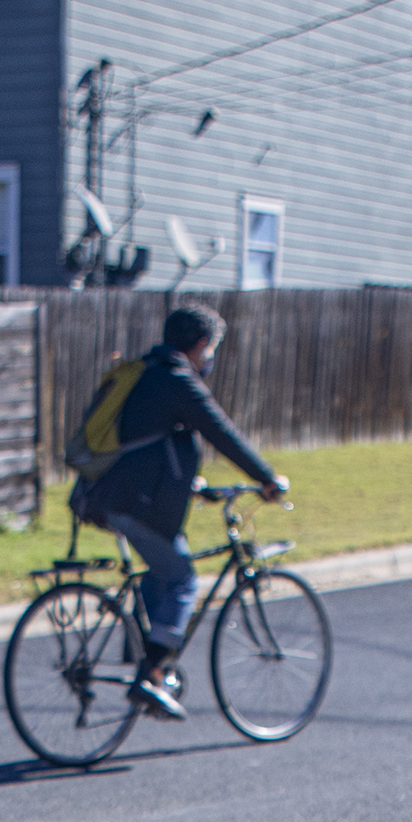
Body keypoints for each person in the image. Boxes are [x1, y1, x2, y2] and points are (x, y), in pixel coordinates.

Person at [78, 305, 289, 719]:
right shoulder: (177, 379)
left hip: (111, 495)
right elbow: (220, 431)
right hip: (137, 504)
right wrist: (266, 478)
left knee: (164, 565)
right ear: (200, 345)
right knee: (181, 578)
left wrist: (192, 485)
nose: (210, 358)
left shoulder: (145, 372)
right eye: (211, 349)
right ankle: (151, 674)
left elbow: (148, 442)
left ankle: (149, 666)